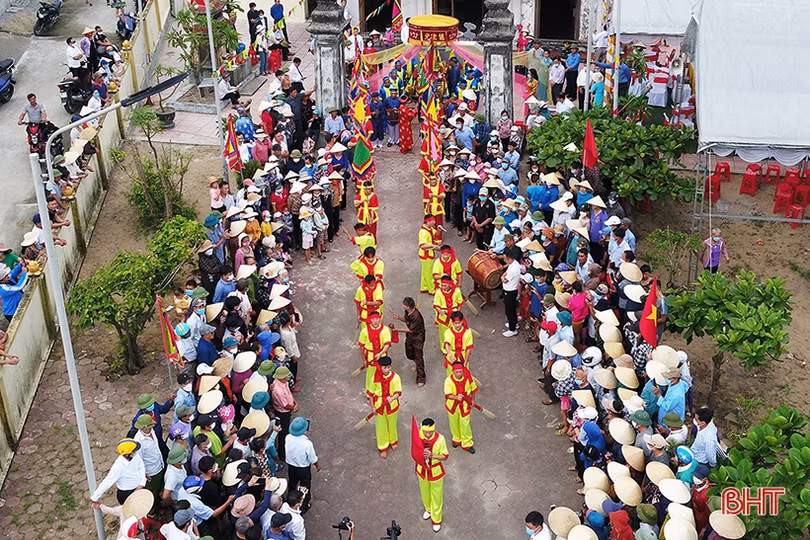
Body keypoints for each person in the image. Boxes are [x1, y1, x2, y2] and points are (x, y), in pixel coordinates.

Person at [415, 418, 449, 532]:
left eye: (430, 432)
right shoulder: (418, 437)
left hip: (435, 471)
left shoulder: (441, 439)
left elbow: (445, 456)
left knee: (437, 495)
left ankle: (436, 519)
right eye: (426, 432)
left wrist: (432, 455)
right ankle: (428, 509)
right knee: (424, 492)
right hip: (422, 470)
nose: (428, 434)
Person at [90, 438, 146, 505]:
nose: (135, 452)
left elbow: (141, 466)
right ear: (127, 454)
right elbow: (107, 482)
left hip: (139, 489)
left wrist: (142, 483)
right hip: (127, 494)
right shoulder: (118, 467)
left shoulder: (135, 456)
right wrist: (95, 497)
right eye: (133, 451)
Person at [366, 355, 401, 458]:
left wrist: (392, 398)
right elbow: (371, 394)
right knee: (381, 427)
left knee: (392, 424)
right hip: (379, 406)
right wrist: (372, 407)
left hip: (392, 405)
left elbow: (398, 392)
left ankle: (393, 441)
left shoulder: (396, 377)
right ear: (380, 367)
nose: (387, 369)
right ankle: (383, 447)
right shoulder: (374, 378)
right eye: (385, 367)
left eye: (389, 367)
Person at [285, 416, 320, 514]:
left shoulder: (288, 438)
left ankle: (290, 500)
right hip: (303, 468)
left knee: (292, 482)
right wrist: (317, 465)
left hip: (291, 466)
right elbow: (312, 457)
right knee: (305, 486)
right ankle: (304, 505)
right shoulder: (307, 444)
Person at [390, 297, 426, 386]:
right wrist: (398, 318)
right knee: (409, 352)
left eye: (404, 305)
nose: (402, 306)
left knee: (418, 356)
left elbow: (411, 330)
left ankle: (421, 378)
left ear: (409, 306)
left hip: (418, 337)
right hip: (410, 336)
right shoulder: (408, 312)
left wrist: (397, 330)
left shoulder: (416, 316)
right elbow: (407, 319)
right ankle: (417, 364)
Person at [444, 362, 478, 453]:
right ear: (453, 372)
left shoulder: (468, 377)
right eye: (457, 372)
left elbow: (473, 389)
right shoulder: (448, 381)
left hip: (465, 405)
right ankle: (456, 439)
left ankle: (467, 443)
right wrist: (456, 397)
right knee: (453, 423)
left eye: (460, 371)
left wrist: (473, 400)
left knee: (465, 424)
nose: (459, 374)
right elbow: (447, 395)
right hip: (453, 406)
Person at [357, 310, 391, 390]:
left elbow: (387, 344)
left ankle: (381, 391)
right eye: (373, 319)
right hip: (370, 357)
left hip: (382, 356)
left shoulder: (385, 329)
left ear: (380, 319)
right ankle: (370, 393)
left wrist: (380, 353)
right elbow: (361, 347)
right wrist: (364, 359)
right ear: (370, 320)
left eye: (377, 319)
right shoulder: (364, 331)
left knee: (382, 374)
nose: (375, 321)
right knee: (370, 376)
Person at [418, 215, 441, 294]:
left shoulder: (430, 228)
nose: (434, 222)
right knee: (429, 273)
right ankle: (432, 289)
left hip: (429, 253)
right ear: (428, 222)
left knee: (425, 271)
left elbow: (436, 235)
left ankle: (424, 286)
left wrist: (439, 230)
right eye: (433, 221)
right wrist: (433, 246)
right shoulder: (423, 232)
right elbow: (422, 245)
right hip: (426, 255)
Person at [501, 250, 521, 337]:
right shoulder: (513, 264)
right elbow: (506, 272)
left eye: (505, 259)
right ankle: (514, 323)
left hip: (510, 291)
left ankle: (513, 329)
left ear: (509, 259)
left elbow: (505, 280)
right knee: (511, 309)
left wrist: (502, 277)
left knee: (510, 310)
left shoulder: (514, 268)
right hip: (510, 290)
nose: (504, 260)